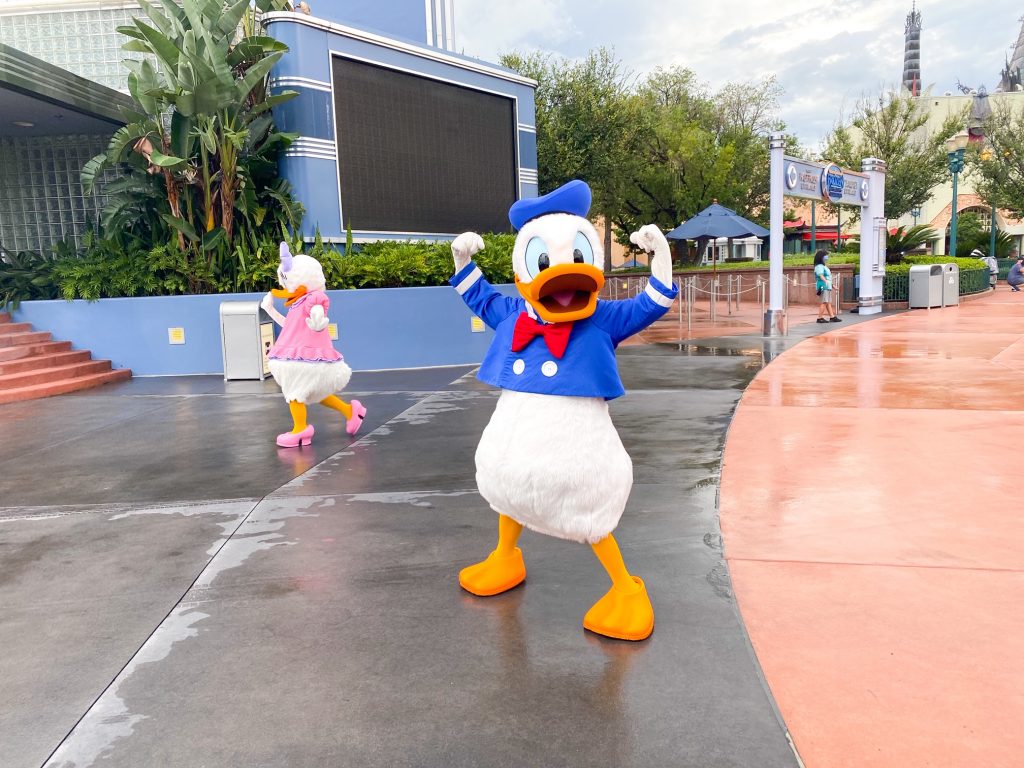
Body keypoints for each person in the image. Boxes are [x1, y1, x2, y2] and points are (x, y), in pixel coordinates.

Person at [813, 249, 841, 322]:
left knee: (828, 302)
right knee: (824, 302)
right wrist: (825, 281)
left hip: (827, 286)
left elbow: (827, 278)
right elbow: (821, 275)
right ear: (821, 257)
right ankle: (819, 318)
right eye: (826, 255)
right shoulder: (819, 266)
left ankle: (832, 317)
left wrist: (832, 285)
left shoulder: (823, 266)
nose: (827, 256)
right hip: (823, 286)